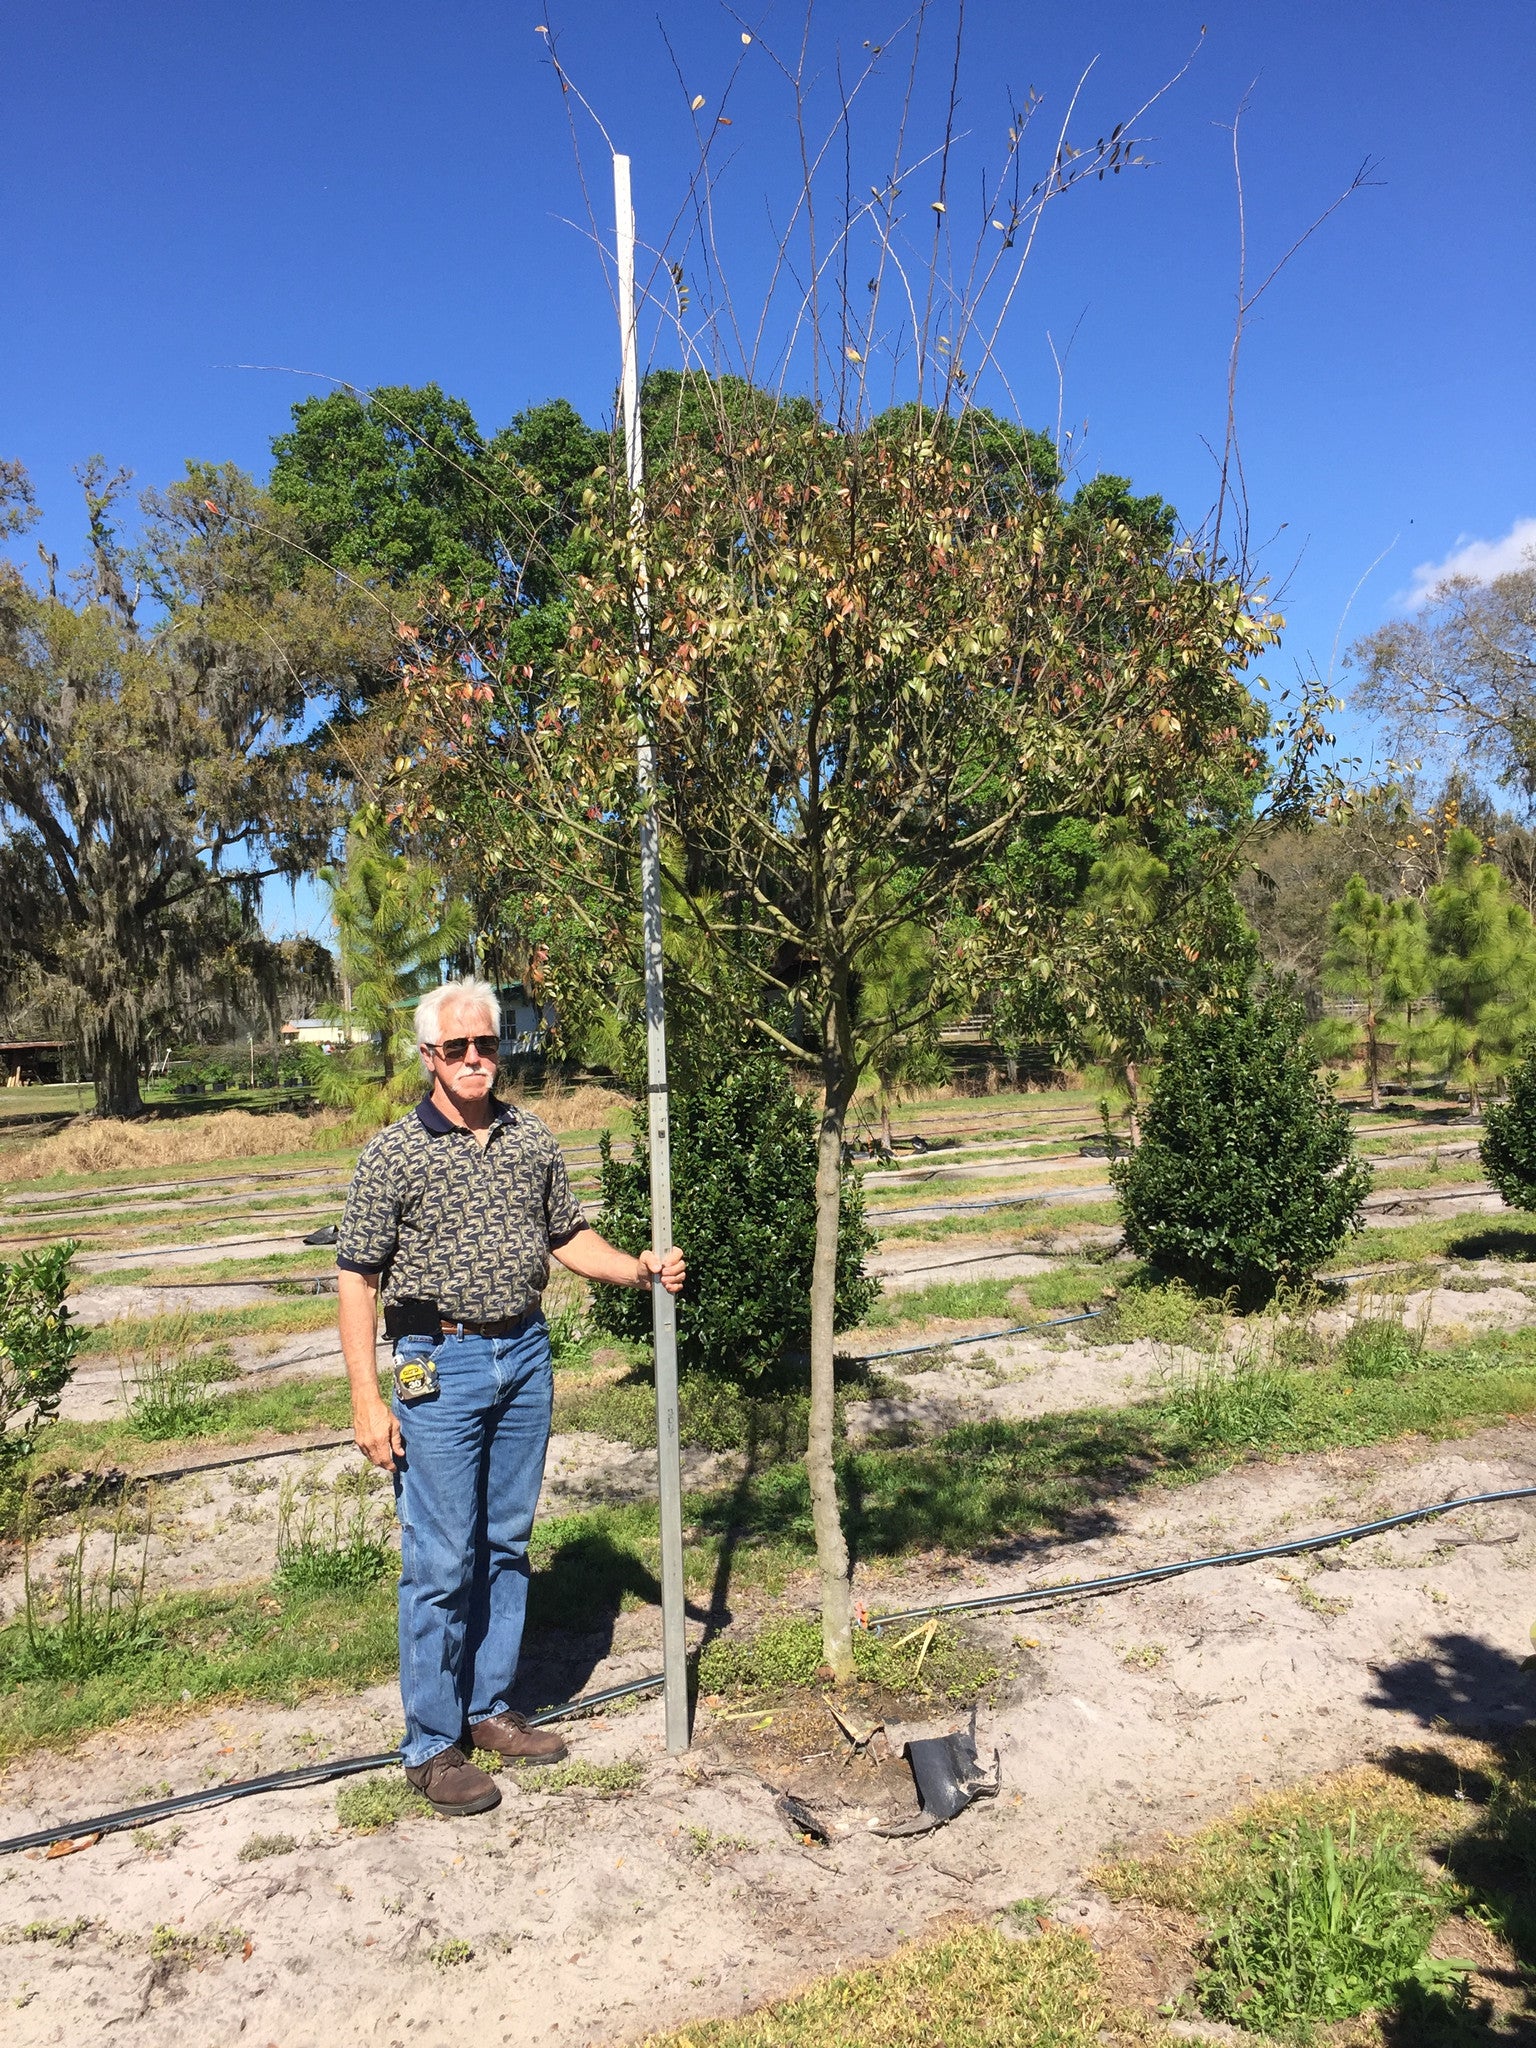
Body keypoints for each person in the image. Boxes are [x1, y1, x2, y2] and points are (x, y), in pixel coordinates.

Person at [336, 978, 685, 1817]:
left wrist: (638, 1268)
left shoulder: (531, 1139)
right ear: (428, 1056)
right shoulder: (393, 1153)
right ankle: (430, 1745)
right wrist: (364, 1400)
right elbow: (356, 1275)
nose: (473, 1060)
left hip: (524, 1354)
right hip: (438, 1360)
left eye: (485, 1044)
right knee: (440, 1557)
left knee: (504, 1542)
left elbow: (568, 1238)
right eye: (456, 1048)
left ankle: (489, 1710)